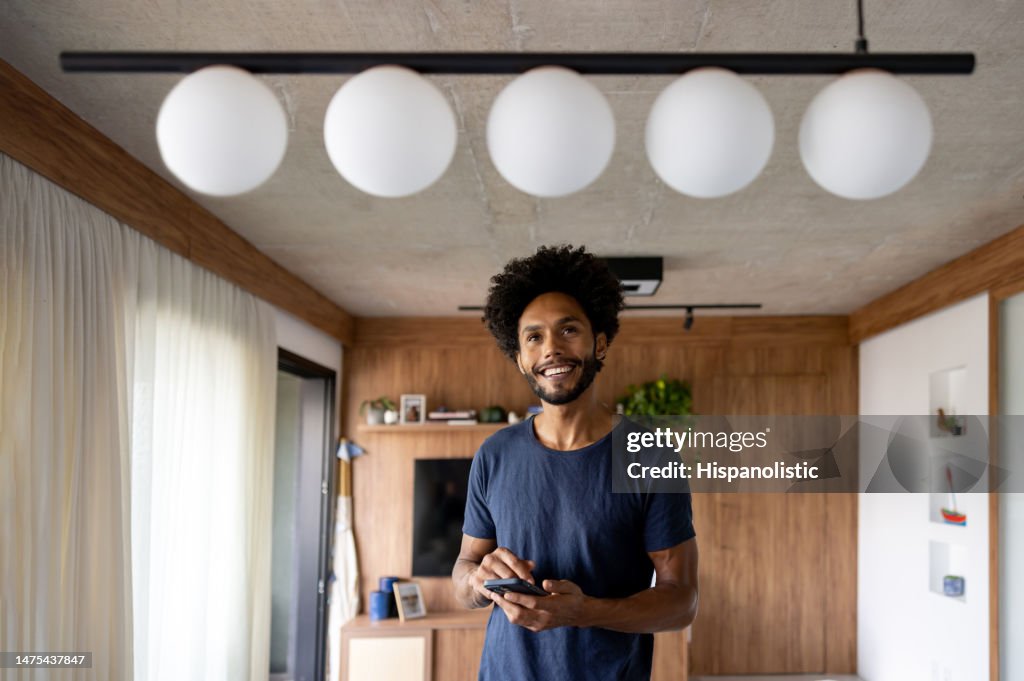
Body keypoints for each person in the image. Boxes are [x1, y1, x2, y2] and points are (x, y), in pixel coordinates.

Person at [451, 245, 698, 681]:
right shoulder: (495, 454)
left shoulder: (651, 455)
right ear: (520, 358)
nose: (551, 349)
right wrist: (476, 581)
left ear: (599, 343)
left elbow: (682, 602)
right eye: (534, 337)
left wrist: (586, 612)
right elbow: (463, 569)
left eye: (568, 331)